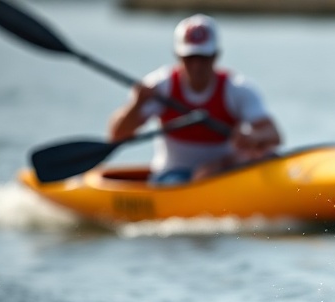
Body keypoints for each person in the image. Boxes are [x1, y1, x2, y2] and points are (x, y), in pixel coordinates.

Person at [108, 14, 282, 184]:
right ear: (178, 56)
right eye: (190, 58)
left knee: (269, 157)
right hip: (173, 175)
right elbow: (117, 135)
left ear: (216, 55)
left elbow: (274, 135)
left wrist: (254, 136)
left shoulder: (237, 89)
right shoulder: (160, 87)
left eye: (203, 58)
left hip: (223, 169)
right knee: (192, 179)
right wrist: (137, 105)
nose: (196, 67)